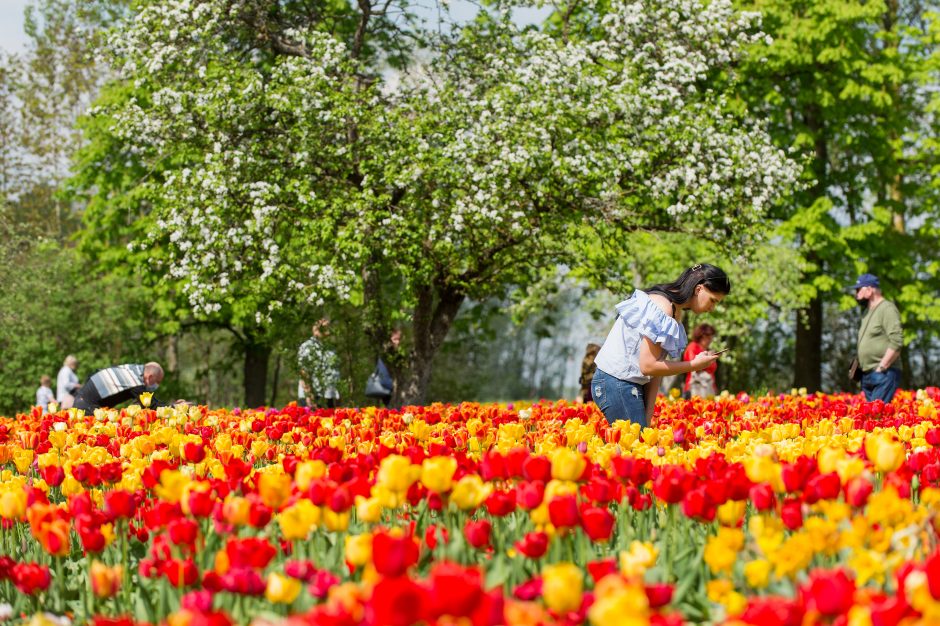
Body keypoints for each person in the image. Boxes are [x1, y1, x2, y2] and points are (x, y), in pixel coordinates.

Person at [592, 264, 730, 427]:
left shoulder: (674, 311)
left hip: (627, 383)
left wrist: (648, 415)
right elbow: (648, 366)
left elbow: (655, 371)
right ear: (698, 289)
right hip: (616, 381)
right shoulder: (663, 308)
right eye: (712, 300)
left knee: (636, 445)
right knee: (634, 449)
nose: (712, 308)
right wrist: (693, 365)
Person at [852, 273, 903, 403]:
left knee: (877, 417)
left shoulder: (887, 309)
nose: (856, 294)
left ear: (870, 289)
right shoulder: (866, 312)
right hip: (867, 374)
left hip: (883, 373)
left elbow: (897, 340)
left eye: (858, 289)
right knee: (871, 417)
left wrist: (882, 366)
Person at [72, 362, 166, 411]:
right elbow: (151, 405)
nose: (157, 385)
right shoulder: (134, 380)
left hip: (82, 400)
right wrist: (173, 406)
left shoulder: (130, 369)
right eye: (157, 381)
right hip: (86, 406)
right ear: (150, 377)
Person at [298, 319, 341, 409]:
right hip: (313, 397)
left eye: (328, 328)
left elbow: (335, 373)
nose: (327, 331)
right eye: (323, 328)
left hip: (329, 396)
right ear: (314, 329)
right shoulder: (308, 347)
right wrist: (310, 396)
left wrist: (338, 397)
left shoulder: (331, 348)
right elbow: (304, 373)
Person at [366, 329, 402, 407]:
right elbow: (382, 371)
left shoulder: (400, 354)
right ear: (390, 339)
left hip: (394, 387)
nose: (397, 342)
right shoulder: (385, 355)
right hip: (387, 386)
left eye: (399, 339)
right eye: (395, 339)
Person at [683, 323, 718, 398]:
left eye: (711, 336)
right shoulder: (693, 347)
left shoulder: (708, 350)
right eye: (707, 336)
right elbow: (693, 365)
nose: (710, 339)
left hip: (709, 387)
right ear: (700, 335)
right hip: (695, 387)